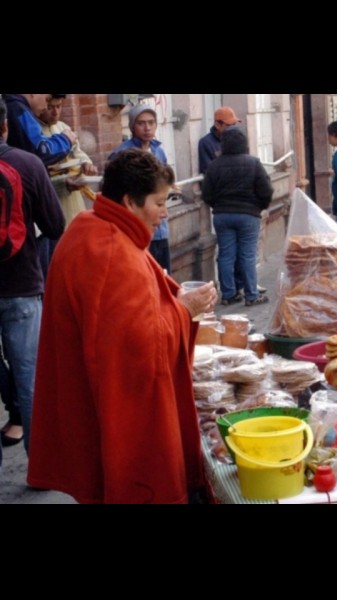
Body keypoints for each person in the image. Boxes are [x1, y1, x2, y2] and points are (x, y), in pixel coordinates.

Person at [27, 149, 217, 503]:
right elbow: (141, 349)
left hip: (84, 401)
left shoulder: (90, 226)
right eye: (159, 203)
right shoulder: (113, 251)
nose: (164, 213)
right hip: (118, 417)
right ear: (130, 201)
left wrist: (169, 297)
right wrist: (184, 310)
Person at [0, 97, 65, 461]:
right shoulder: (28, 163)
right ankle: (40, 463)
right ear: (5, 126)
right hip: (22, 284)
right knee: (30, 377)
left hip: (20, 287)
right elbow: (55, 225)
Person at [202, 126, 272, 306]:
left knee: (226, 255)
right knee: (247, 255)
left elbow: (206, 194)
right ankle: (251, 295)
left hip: (222, 215)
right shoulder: (254, 163)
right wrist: (259, 207)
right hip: (249, 215)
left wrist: (218, 206)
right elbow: (266, 190)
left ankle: (228, 294)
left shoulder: (214, 165)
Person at [36, 94, 99, 280]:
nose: (55, 112)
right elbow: (39, 179)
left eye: (59, 106)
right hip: (53, 205)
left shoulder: (64, 128)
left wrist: (86, 163)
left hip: (75, 203)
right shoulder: (34, 135)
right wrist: (64, 184)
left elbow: (78, 153)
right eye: (50, 107)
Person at [110, 104, 172, 273]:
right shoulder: (123, 154)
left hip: (159, 227)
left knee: (163, 275)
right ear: (132, 127)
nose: (147, 128)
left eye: (151, 123)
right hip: (136, 227)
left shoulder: (158, 151)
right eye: (141, 123)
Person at [1, 94, 75, 166]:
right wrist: (66, 139)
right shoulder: (19, 110)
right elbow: (41, 151)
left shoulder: (10, 104)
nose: (45, 107)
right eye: (47, 99)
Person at [198, 106, 240, 175]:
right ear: (217, 125)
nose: (233, 128)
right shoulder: (206, 143)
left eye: (234, 124)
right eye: (229, 125)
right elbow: (208, 170)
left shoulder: (238, 140)